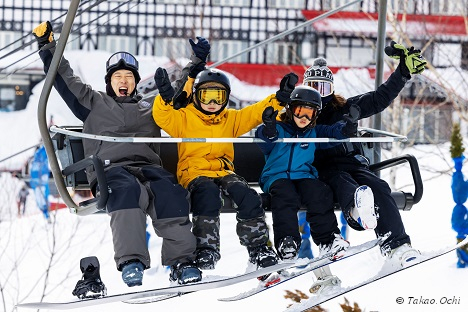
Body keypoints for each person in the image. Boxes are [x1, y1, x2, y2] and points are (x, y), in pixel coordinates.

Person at [33, 21, 202, 287]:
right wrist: (47, 47)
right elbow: (64, 79)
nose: (124, 81)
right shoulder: (93, 102)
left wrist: (195, 63)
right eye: (118, 77)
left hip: (148, 168)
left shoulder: (151, 107)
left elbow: (177, 95)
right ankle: (131, 261)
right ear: (109, 81)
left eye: (129, 77)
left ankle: (181, 262)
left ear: (135, 82)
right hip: (111, 170)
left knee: (169, 192)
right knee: (125, 190)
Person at [152, 42, 298, 271]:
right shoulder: (184, 118)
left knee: (248, 196)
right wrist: (165, 98)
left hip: (224, 171)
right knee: (208, 194)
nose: (212, 104)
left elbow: (254, 113)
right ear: (197, 97)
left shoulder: (230, 119)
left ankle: (258, 248)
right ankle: (206, 249)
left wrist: (279, 99)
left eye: (218, 98)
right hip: (195, 173)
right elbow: (163, 116)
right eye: (207, 97)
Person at [303, 41, 427, 269]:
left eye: (324, 88)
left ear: (331, 89)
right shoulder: (301, 111)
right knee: (343, 183)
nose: (319, 95)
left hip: (351, 163)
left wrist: (402, 73)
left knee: (378, 187)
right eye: (314, 88)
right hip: (323, 168)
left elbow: (379, 98)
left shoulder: (345, 108)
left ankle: (396, 244)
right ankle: (356, 210)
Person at [255, 86, 358, 263]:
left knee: (319, 191)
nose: (303, 118)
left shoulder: (314, 132)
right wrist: (268, 130)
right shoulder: (279, 129)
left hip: (303, 175)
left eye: (309, 113)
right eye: (299, 111)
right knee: (285, 195)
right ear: (290, 109)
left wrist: (347, 128)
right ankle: (287, 241)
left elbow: (333, 133)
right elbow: (263, 141)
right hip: (276, 176)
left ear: (315, 114)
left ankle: (328, 239)